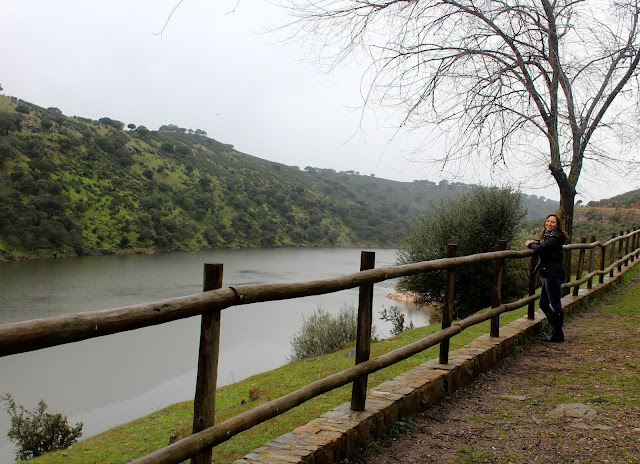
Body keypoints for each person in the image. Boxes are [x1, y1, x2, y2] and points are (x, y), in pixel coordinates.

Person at [525, 213, 568, 342]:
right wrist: (535, 242)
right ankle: (557, 332)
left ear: (557, 225)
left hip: (553, 274)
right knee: (543, 303)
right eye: (548, 221)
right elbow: (544, 245)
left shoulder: (556, 238)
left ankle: (558, 333)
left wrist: (530, 244)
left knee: (556, 305)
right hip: (549, 274)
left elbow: (542, 248)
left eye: (552, 222)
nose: (549, 224)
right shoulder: (551, 237)